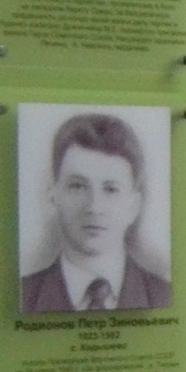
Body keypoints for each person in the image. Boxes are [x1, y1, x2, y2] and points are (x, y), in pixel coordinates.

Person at [18, 111, 169, 314]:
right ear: (54, 195)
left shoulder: (165, 295)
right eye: (77, 186)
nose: (93, 207)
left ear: (134, 205)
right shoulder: (21, 296)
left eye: (111, 189)